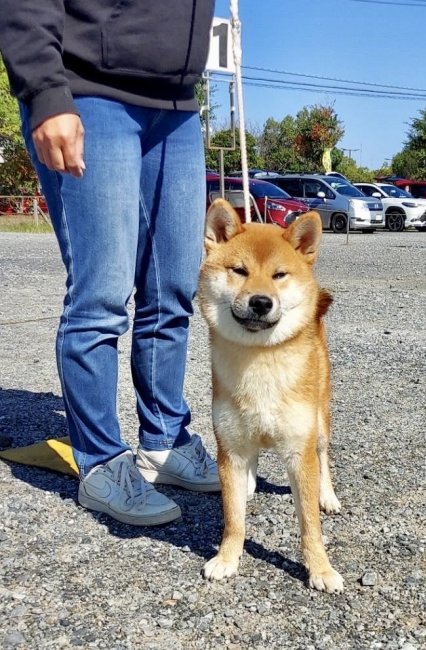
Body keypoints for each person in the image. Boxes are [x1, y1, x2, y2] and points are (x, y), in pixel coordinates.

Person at [0, 0, 220, 527]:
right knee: (101, 293)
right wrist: (47, 93)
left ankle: (164, 439)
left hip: (176, 104)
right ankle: (100, 460)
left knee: (172, 290)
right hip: (87, 91)